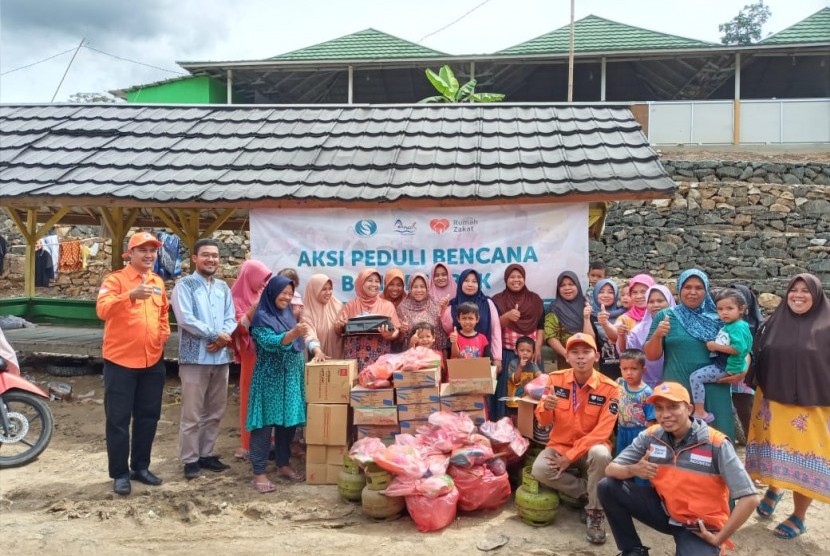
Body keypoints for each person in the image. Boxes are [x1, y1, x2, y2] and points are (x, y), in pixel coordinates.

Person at [599, 382, 760, 556]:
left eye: (673, 407)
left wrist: (719, 538)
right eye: (659, 408)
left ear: (689, 409)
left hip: (698, 525)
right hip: (664, 509)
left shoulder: (716, 444)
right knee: (607, 486)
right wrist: (633, 470)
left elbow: (750, 498)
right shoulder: (651, 435)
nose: (665, 414)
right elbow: (610, 470)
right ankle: (633, 550)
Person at [745, 273, 830, 540]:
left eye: (806, 291)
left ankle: (799, 517)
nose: (799, 295)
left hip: (812, 406)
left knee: (805, 461)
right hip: (772, 403)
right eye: (794, 289)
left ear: (816, 295)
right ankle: (775, 487)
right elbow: (759, 353)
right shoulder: (773, 322)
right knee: (773, 452)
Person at [96, 231, 170, 496]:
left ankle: (141, 467)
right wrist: (129, 295)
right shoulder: (115, 280)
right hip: (121, 362)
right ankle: (119, 473)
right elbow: (102, 310)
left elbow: (163, 314)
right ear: (130, 254)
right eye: (143, 250)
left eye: (153, 251)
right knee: (118, 420)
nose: (149, 255)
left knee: (148, 417)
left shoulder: (158, 282)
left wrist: (162, 337)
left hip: (152, 361)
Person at [531, 333, 618, 545]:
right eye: (575, 353)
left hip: (590, 448)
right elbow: (543, 421)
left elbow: (602, 432)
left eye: (586, 352)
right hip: (560, 445)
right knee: (540, 469)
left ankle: (595, 514)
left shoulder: (611, 389)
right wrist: (545, 408)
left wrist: (569, 457)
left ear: (596, 356)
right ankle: (588, 494)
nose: (581, 357)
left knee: (601, 453)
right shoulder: (555, 379)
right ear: (567, 357)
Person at [170, 239, 237, 479]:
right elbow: (186, 319)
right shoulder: (184, 286)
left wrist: (224, 337)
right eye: (206, 255)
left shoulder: (223, 288)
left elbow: (232, 316)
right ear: (195, 259)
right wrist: (214, 335)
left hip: (220, 358)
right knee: (192, 413)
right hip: (194, 359)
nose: (211, 259)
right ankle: (190, 460)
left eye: (215, 256)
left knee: (216, 411)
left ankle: (206, 453)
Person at [643, 269, 735, 438]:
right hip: (678, 389)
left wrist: (742, 370)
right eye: (687, 287)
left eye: (699, 288)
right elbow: (651, 355)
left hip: (714, 388)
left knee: (717, 441)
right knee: (679, 441)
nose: (693, 292)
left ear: (706, 290)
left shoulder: (720, 317)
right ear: (679, 289)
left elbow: (743, 344)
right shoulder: (666, 316)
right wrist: (657, 335)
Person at [247, 275, 309, 492]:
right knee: (263, 427)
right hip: (270, 380)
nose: (287, 297)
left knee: (287, 424)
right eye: (283, 292)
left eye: (290, 294)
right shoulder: (262, 317)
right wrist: (293, 334)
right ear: (272, 292)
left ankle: (283, 464)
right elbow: (269, 343)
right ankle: (259, 473)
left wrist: (297, 334)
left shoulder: (288, 315)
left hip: (290, 379)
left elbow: (297, 343)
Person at [689, 288, 752, 423]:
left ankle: (700, 411)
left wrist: (715, 347)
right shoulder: (735, 325)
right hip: (730, 364)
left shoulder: (736, 327)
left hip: (726, 366)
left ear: (741, 309)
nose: (724, 312)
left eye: (729, 308)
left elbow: (738, 348)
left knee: (695, 377)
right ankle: (730, 407)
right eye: (720, 309)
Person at [230, 259, 272, 461]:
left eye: (266, 280)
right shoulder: (235, 298)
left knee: (268, 398)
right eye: (261, 279)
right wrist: (253, 309)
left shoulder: (262, 296)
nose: (264, 283)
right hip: (251, 354)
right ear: (249, 277)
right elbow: (237, 328)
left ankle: (268, 443)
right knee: (251, 398)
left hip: (267, 353)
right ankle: (248, 445)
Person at [493, 263, 545, 420]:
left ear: (524, 278)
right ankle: (505, 428)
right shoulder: (498, 300)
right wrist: (507, 316)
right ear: (506, 279)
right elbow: (494, 327)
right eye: (512, 277)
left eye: (519, 277)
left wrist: (538, 348)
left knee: (534, 392)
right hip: (509, 355)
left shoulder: (535, 300)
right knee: (508, 393)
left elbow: (540, 326)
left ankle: (534, 430)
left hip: (532, 356)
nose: (516, 280)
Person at [339, 268, 401, 372]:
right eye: (370, 280)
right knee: (356, 387)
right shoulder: (350, 306)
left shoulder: (387, 306)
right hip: (355, 360)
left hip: (380, 361)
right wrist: (340, 326)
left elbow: (396, 331)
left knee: (379, 387)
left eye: (377, 281)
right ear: (361, 283)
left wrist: (390, 335)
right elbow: (339, 331)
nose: (374, 284)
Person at [442, 269, 502, 371]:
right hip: (459, 364)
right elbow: (448, 329)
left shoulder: (487, 303)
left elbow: (495, 331)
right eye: (466, 281)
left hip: (484, 359)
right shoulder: (452, 305)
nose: (470, 284)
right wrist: (443, 310)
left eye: (474, 281)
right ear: (460, 283)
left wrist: (497, 358)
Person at [727, 283, 764, 439]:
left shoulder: (760, 326)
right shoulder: (724, 324)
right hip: (727, 378)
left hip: (750, 381)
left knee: (749, 414)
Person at [621, 285, 675, 388]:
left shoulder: (680, 326)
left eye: (660, 301)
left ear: (669, 301)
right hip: (646, 386)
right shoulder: (638, 331)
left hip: (676, 384)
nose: (655, 305)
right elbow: (631, 358)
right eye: (651, 302)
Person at [545, 271, 594, 370]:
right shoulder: (554, 309)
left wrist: (586, 318)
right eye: (563, 285)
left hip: (588, 358)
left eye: (571, 284)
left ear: (578, 286)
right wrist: (567, 355)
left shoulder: (587, 306)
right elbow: (550, 336)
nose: (567, 288)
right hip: (566, 361)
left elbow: (590, 338)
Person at [615, 350, 655, 456]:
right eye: (625, 369)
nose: (629, 373)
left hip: (639, 433)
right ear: (620, 369)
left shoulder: (647, 393)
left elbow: (652, 420)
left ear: (643, 370)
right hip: (622, 431)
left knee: (637, 460)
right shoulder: (619, 383)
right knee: (621, 460)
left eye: (634, 368)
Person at [396, 272, 446, 351]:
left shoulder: (435, 306)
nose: (419, 290)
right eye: (415, 287)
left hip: (433, 356)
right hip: (411, 357)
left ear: (427, 288)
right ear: (410, 288)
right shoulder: (402, 308)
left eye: (422, 286)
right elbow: (398, 341)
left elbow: (441, 337)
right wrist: (401, 331)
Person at [301, 273, 344, 362]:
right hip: (318, 362)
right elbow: (308, 335)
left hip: (341, 360)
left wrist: (342, 327)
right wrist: (317, 351)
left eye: (330, 289)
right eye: (324, 289)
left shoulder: (338, 306)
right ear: (314, 290)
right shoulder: (306, 312)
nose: (328, 292)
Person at [590, 278, 624, 380]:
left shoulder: (624, 314)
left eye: (610, 292)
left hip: (625, 367)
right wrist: (586, 318)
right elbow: (590, 340)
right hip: (602, 368)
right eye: (601, 292)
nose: (605, 295)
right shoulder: (591, 316)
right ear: (595, 294)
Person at [613, 274, 657, 344]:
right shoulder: (624, 319)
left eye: (643, 292)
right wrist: (621, 336)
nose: (639, 296)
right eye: (634, 292)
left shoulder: (660, 315)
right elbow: (619, 346)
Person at [505, 335, 542, 417]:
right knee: (515, 420)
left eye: (528, 351)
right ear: (516, 351)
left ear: (533, 353)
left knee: (528, 421)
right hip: (514, 402)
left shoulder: (533, 365)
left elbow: (540, 376)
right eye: (522, 350)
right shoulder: (513, 363)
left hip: (528, 401)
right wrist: (520, 367)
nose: (525, 353)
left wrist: (545, 378)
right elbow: (516, 380)